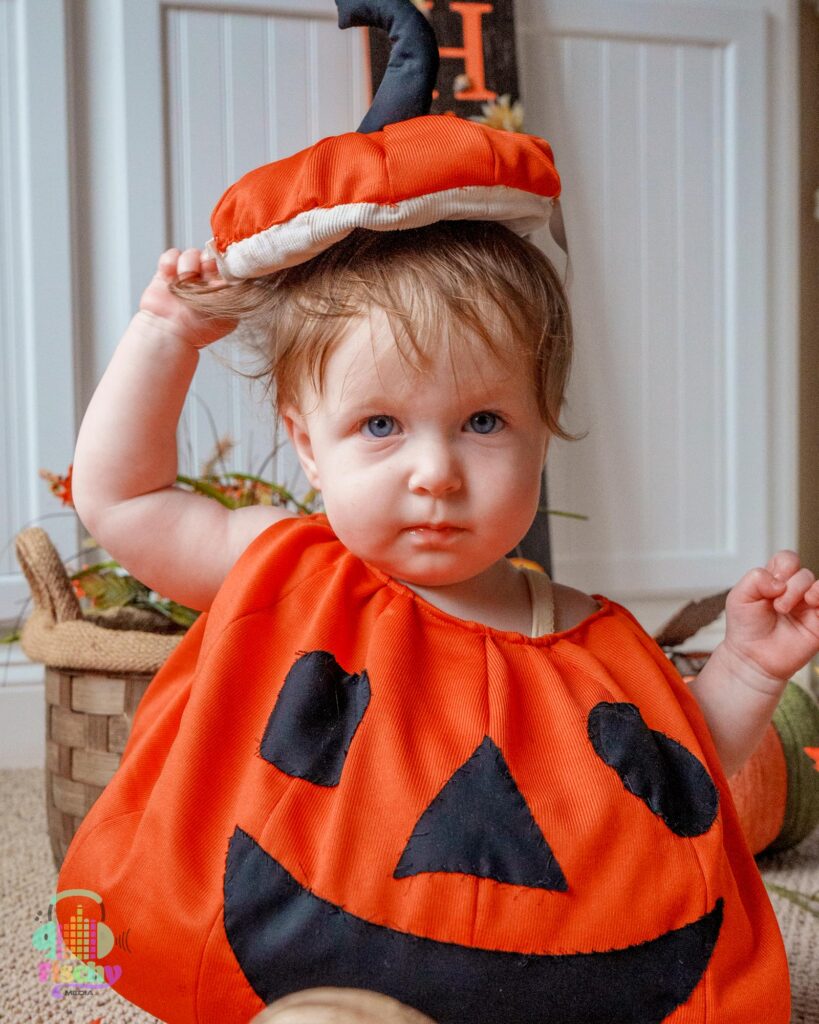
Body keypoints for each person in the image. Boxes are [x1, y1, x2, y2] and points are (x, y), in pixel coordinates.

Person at [58, 220, 817, 1024]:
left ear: (541, 432)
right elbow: (123, 500)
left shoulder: (590, 635)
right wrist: (167, 332)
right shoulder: (285, 569)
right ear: (307, 444)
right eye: (380, 426)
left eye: (482, 422)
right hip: (296, 942)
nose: (436, 474)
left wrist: (748, 670)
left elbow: (675, 778)